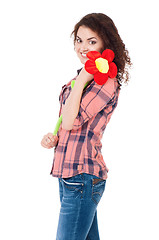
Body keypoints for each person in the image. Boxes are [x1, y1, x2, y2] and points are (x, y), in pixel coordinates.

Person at [41, 13, 132, 240]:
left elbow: (72, 120)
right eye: (79, 40)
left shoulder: (105, 82)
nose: (83, 47)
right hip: (69, 175)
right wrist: (54, 138)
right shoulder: (82, 79)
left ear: (105, 45)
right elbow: (67, 124)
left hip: (82, 177)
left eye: (92, 41)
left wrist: (81, 79)